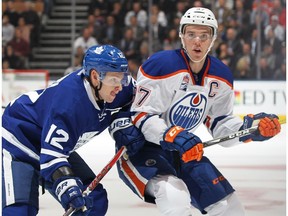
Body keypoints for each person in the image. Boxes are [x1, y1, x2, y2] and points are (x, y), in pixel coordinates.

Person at [110, 7, 281, 216]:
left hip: (186, 152)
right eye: (191, 34)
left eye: (204, 35)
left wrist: (249, 130)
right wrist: (171, 134)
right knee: (176, 197)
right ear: (182, 36)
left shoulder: (221, 76)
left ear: (213, 39)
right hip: (143, 151)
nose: (197, 41)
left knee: (230, 208)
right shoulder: (161, 65)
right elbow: (141, 115)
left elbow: (220, 124)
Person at [2, 45, 144, 216]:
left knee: (94, 202)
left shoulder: (121, 88)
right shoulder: (68, 105)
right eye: (114, 79)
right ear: (94, 77)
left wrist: (122, 121)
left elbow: (142, 100)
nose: (119, 87)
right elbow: (52, 156)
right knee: (20, 210)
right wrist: (68, 187)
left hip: (53, 144)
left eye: (122, 78)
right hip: (21, 138)